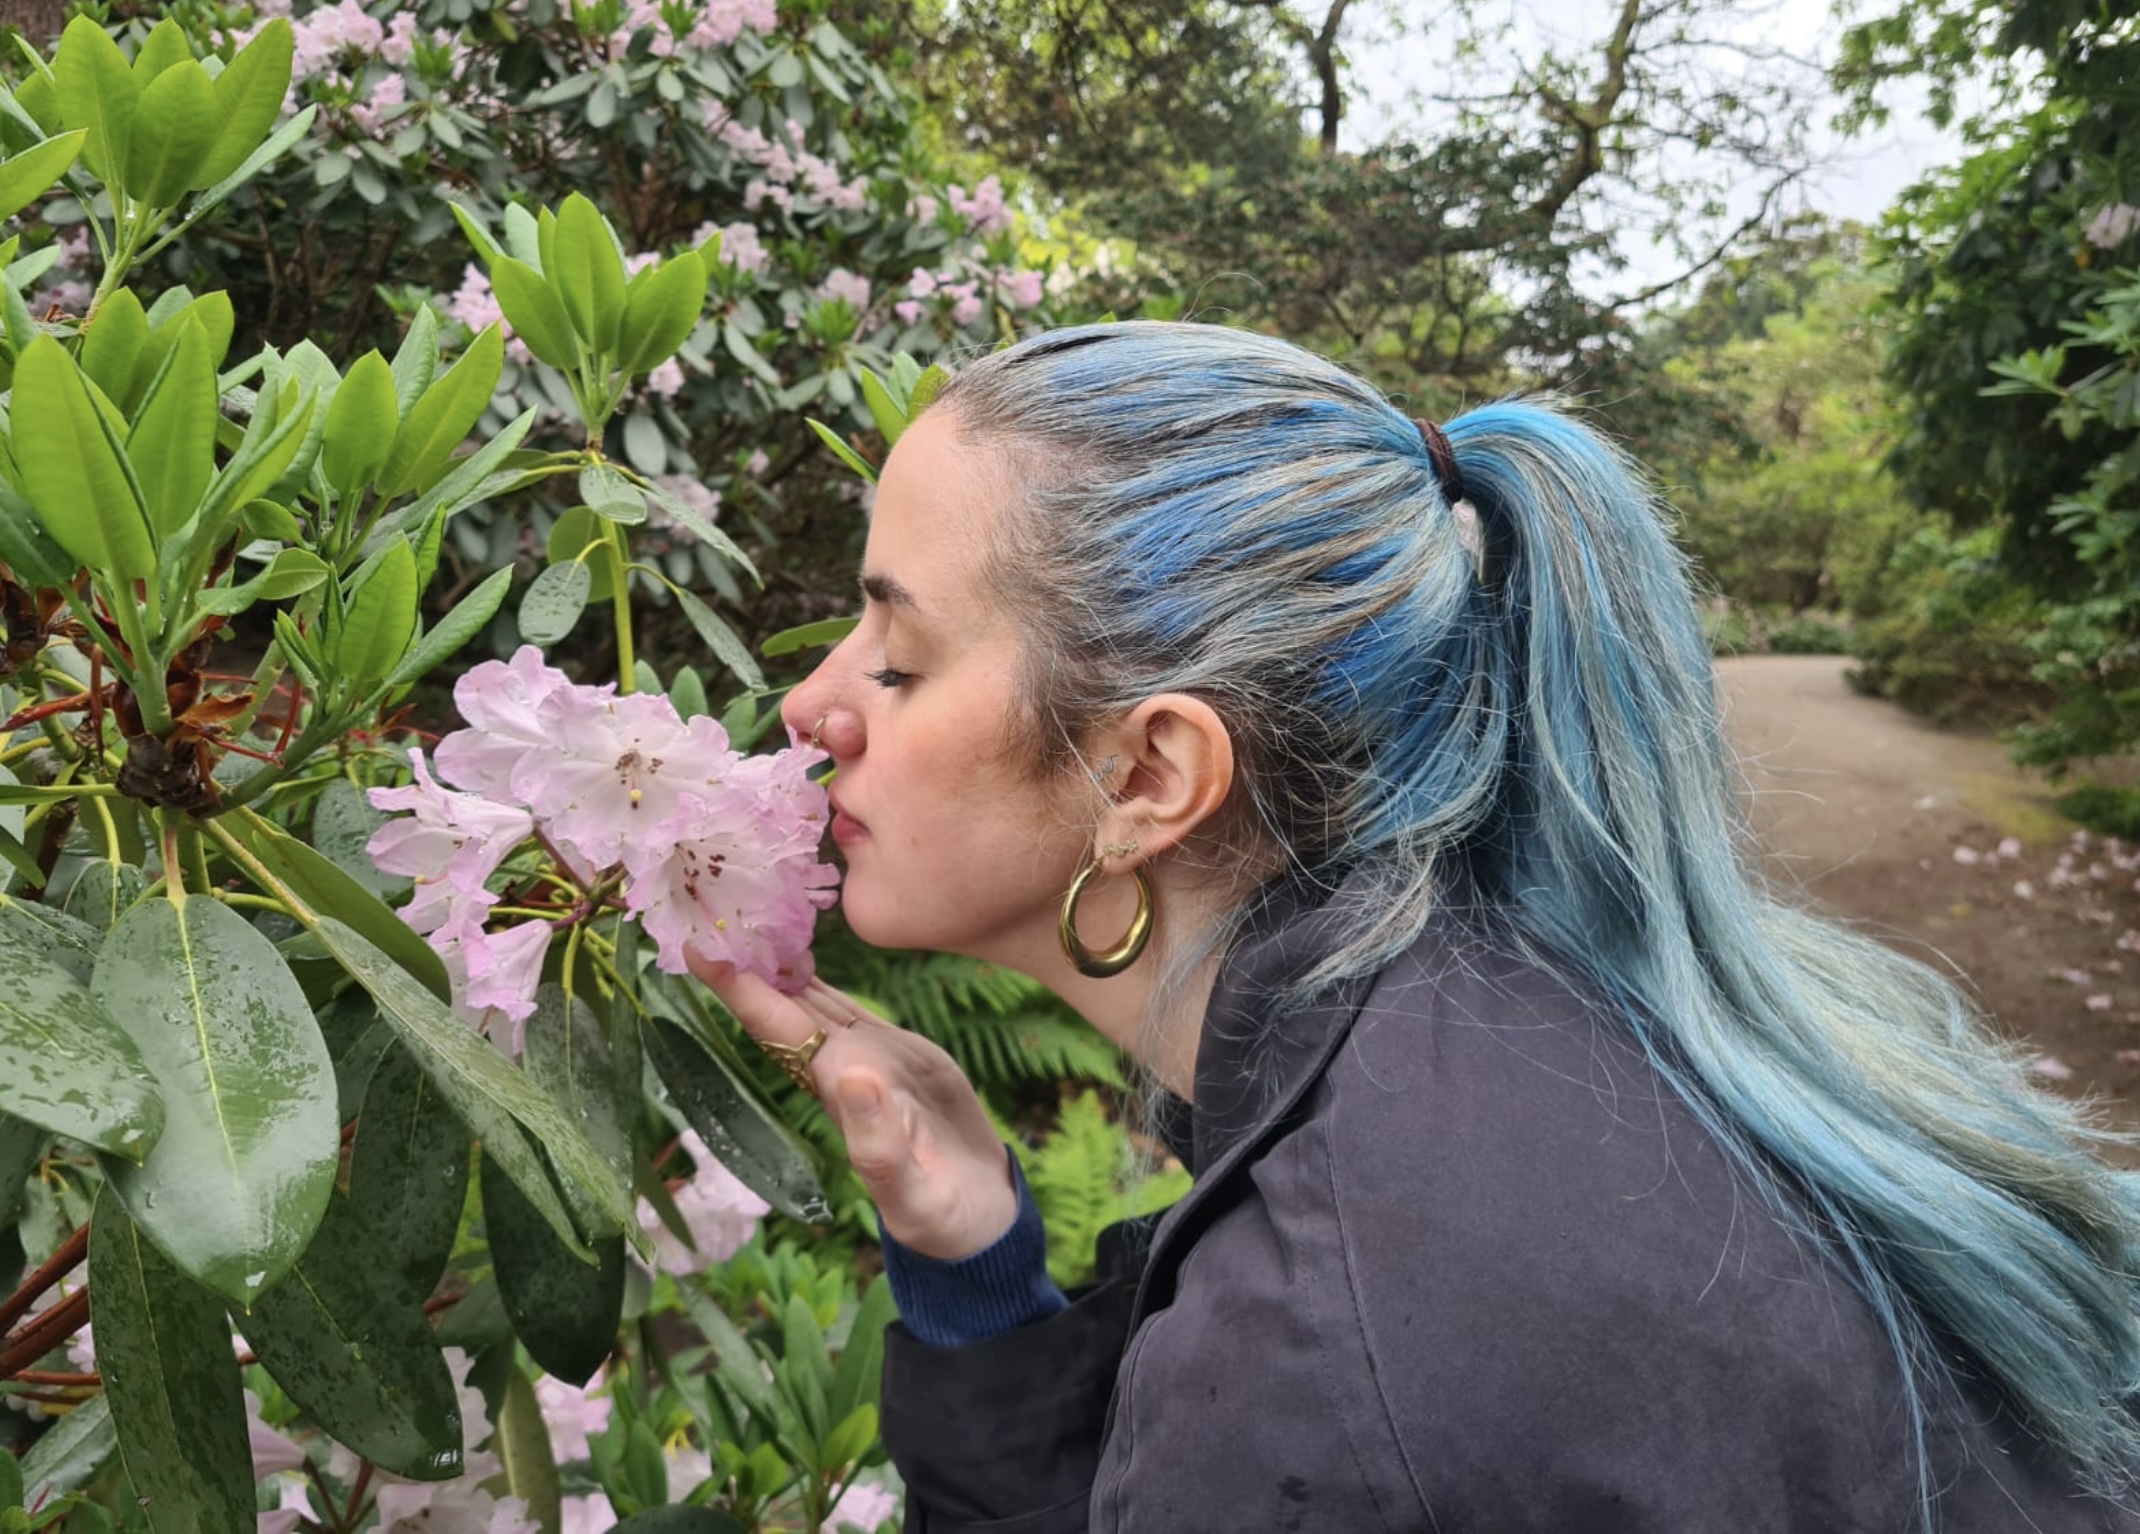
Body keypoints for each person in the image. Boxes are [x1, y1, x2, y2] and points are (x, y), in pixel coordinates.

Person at [692, 321, 2140, 1533]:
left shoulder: (1337, 1361)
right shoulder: (1511, 1020)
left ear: (1146, 775)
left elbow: (1324, 1442)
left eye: (896, 655)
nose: (808, 706)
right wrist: (979, 1268)